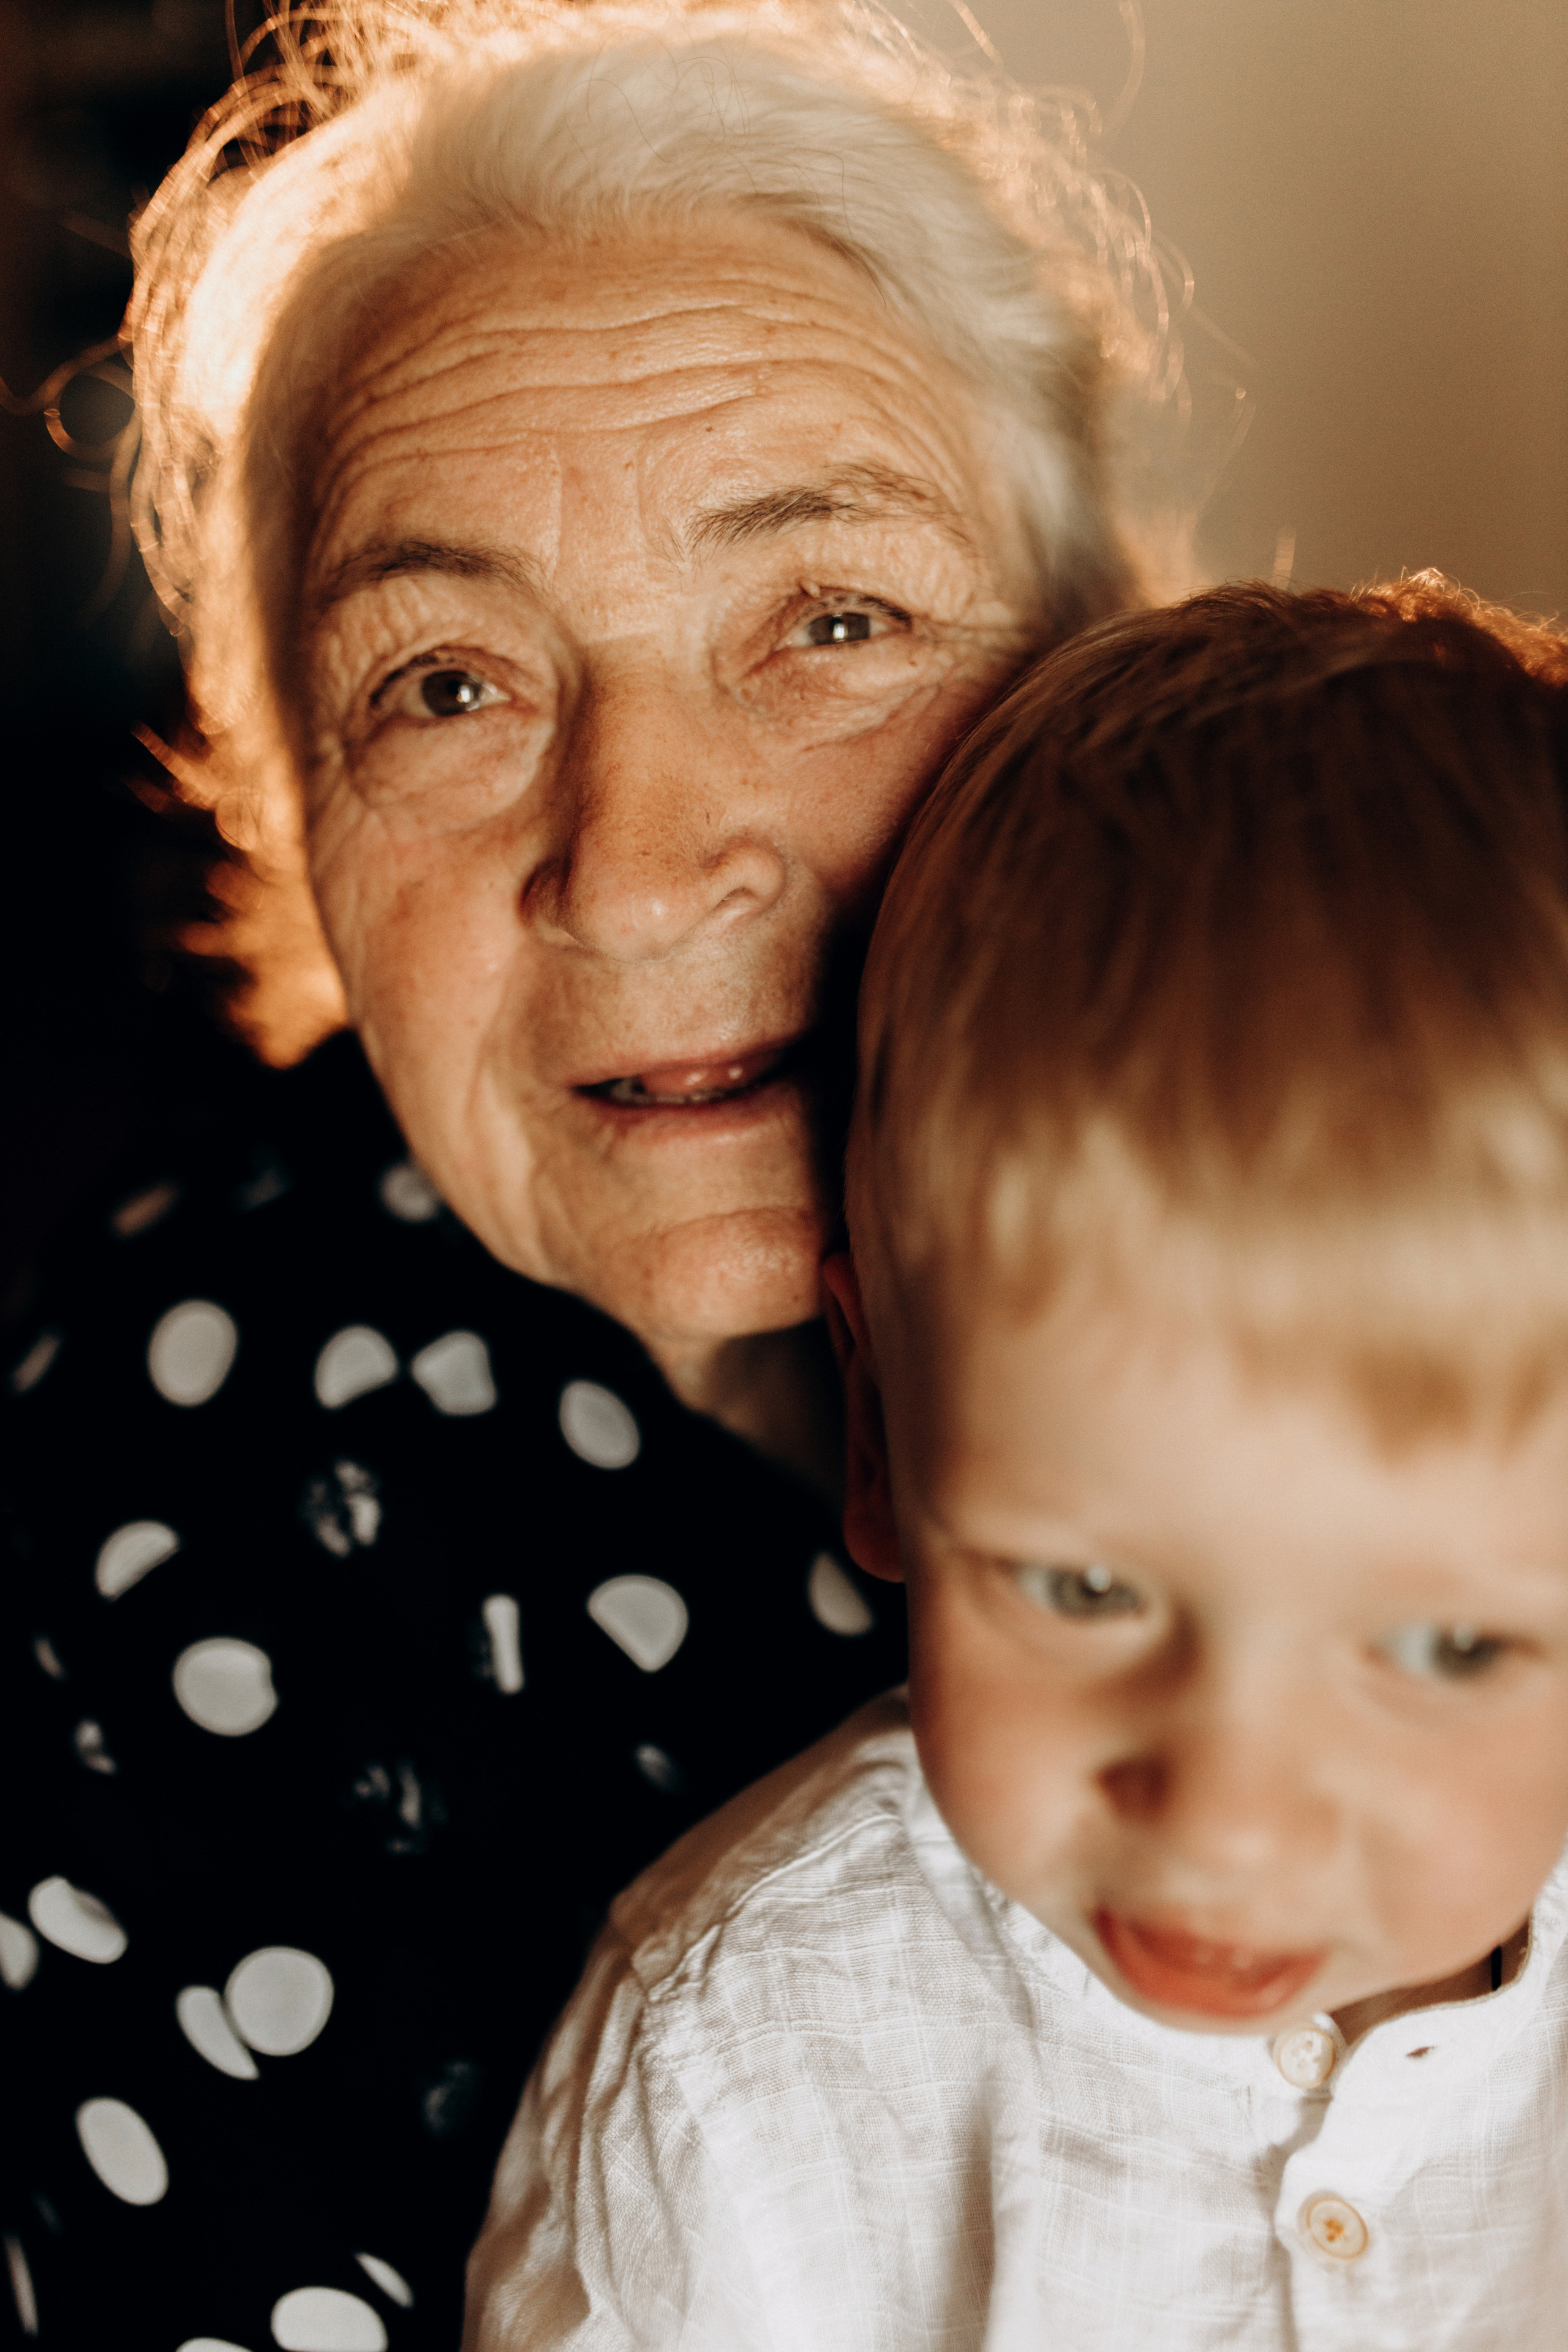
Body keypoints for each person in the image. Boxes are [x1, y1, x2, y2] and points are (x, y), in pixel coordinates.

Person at [0, 4, 1166, 2345]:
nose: (633, 873)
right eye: (446, 683)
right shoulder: (98, 1612)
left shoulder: (1456, 1224)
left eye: (830, 622)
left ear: (1111, 675)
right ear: (286, 822)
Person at [465, 576, 1568, 2351]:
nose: (1222, 1817)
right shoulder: (749, 2064)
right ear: (887, 1431)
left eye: (1446, 1647)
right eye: (1086, 1588)